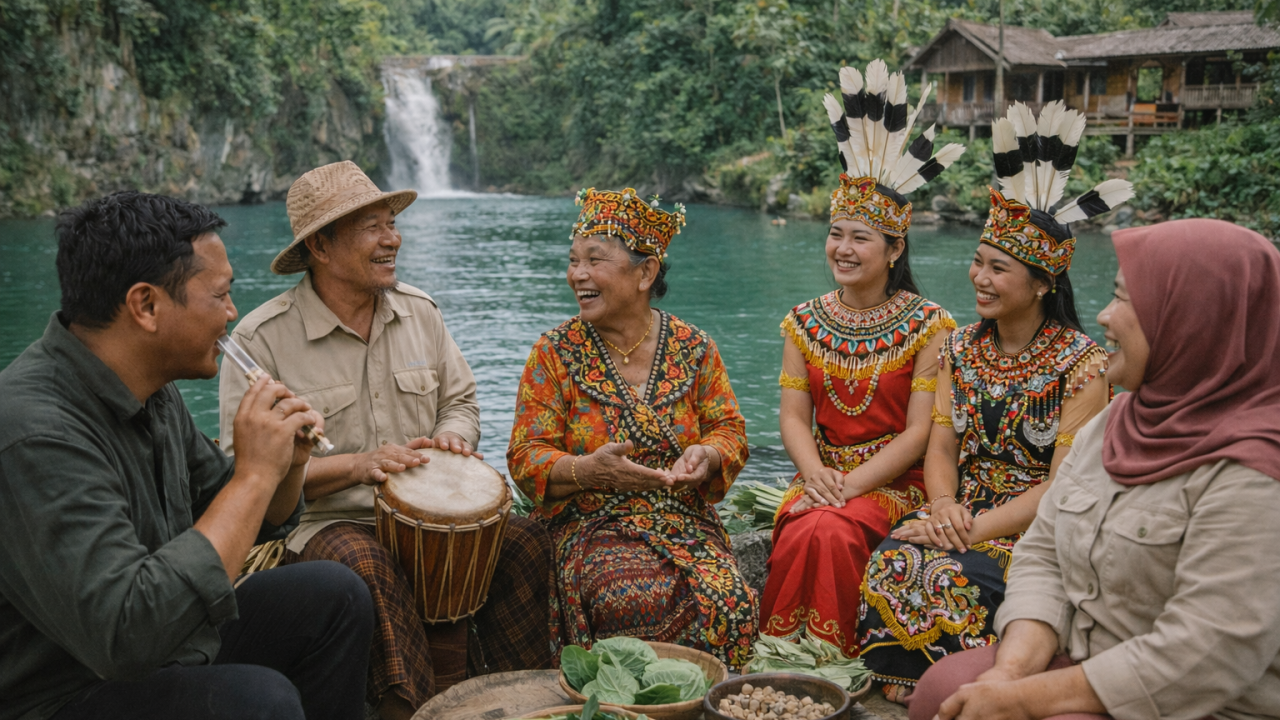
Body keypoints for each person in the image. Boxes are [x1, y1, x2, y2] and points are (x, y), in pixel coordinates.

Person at [0, 192, 373, 720]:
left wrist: (286, 464)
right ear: (146, 306)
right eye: (219, 295)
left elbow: (247, 516)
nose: (232, 312)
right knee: (257, 703)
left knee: (333, 596)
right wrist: (253, 473)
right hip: (66, 690)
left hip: (166, 647)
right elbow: (125, 636)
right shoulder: (34, 433)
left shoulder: (152, 389)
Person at [908, 219, 1280, 720]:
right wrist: (1011, 670)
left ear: (1192, 320)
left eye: (1127, 301)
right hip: (1084, 649)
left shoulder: (1255, 472)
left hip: (1196, 701)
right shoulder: (1119, 421)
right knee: (941, 688)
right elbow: (1044, 553)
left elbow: (1203, 656)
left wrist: (1020, 698)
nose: (1104, 316)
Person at [218, 161, 551, 720]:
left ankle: (522, 701)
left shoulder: (421, 312)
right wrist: (356, 466)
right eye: (372, 227)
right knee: (364, 564)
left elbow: (461, 403)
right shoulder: (262, 342)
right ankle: (416, 709)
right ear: (320, 246)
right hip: (326, 525)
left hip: (434, 520)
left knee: (525, 542)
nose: (392, 239)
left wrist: (450, 440)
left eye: (391, 224)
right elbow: (243, 474)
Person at [857, 102, 1128, 702]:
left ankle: (945, 677)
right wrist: (946, 504)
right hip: (964, 507)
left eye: (997, 269)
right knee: (897, 554)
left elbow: (1063, 485)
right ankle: (910, 675)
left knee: (956, 570)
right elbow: (941, 444)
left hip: (1033, 526)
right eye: (978, 262)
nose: (979, 277)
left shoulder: (1083, 364)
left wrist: (972, 531)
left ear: (1041, 284)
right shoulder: (958, 347)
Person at [759, 59, 963, 658]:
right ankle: (782, 654)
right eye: (835, 234)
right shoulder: (803, 320)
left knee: (832, 526)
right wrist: (817, 476)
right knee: (806, 522)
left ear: (894, 247)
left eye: (860, 238)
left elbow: (921, 432)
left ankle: (834, 659)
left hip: (895, 482)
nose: (842, 250)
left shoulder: (931, 325)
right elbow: (794, 417)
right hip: (821, 474)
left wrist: (847, 487)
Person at [507, 188, 756, 668]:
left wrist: (706, 456)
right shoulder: (553, 353)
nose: (577, 274)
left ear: (646, 273)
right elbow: (525, 455)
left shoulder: (695, 347)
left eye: (595, 261)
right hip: (589, 525)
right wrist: (589, 471)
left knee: (733, 601)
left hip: (683, 522)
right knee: (626, 596)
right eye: (573, 260)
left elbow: (729, 429)